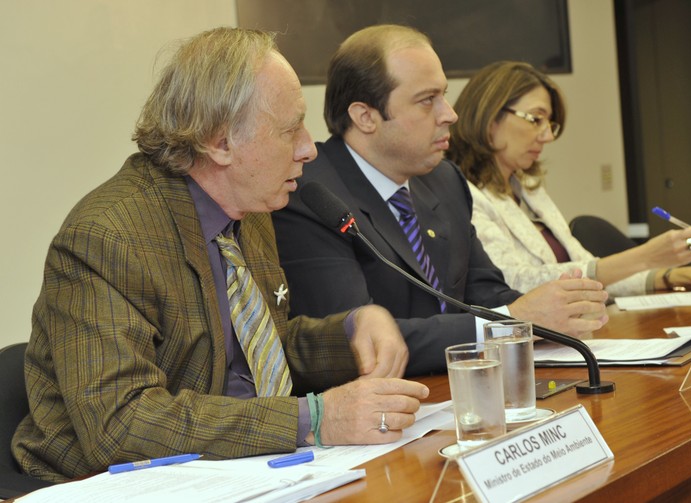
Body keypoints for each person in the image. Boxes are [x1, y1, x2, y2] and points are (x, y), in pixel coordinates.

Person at [13, 27, 429, 483]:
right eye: (289, 130)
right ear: (220, 143)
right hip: (108, 484)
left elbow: (258, 352)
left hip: (240, 469)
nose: (309, 148)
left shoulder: (249, 209)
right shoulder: (107, 237)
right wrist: (312, 419)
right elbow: (121, 423)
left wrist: (351, 330)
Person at [271, 25, 609, 377]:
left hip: (466, 387)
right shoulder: (311, 196)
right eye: (427, 100)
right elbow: (359, 344)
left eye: (443, 95)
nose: (450, 114)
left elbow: (485, 293)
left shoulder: (444, 180)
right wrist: (514, 321)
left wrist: (556, 310)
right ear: (366, 116)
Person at [446, 61, 691, 297]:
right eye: (536, 119)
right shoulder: (462, 195)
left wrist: (678, 275)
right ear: (490, 116)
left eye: (549, 124)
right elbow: (511, 283)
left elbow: (590, 271)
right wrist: (644, 256)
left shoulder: (528, 190)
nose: (547, 136)